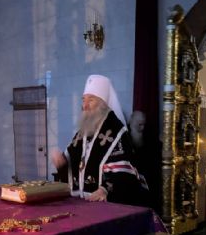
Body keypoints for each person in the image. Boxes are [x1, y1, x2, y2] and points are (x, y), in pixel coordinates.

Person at [51, 75, 149, 206]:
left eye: (91, 100)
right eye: (83, 100)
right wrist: (61, 162)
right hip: (80, 203)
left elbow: (124, 170)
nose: (85, 106)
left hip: (104, 206)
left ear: (102, 104)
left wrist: (105, 189)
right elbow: (72, 162)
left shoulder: (116, 131)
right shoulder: (83, 131)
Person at [128, 110, 162, 210]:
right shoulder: (124, 137)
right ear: (131, 122)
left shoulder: (148, 136)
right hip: (131, 179)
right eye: (139, 125)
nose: (142, 128)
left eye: (143, 125)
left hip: (148, 179)